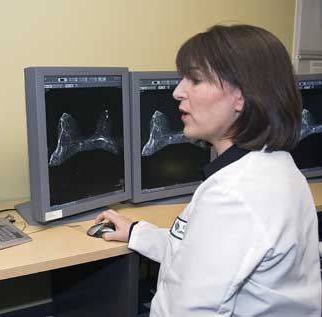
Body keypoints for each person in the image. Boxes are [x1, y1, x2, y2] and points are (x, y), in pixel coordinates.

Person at [96, 24, 322, 316]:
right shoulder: (277, 168)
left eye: (196, 80)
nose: (177, 92)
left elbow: (189, 308)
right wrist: (138, 233)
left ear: (241, 97)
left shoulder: (235, 196)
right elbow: (201, 253)